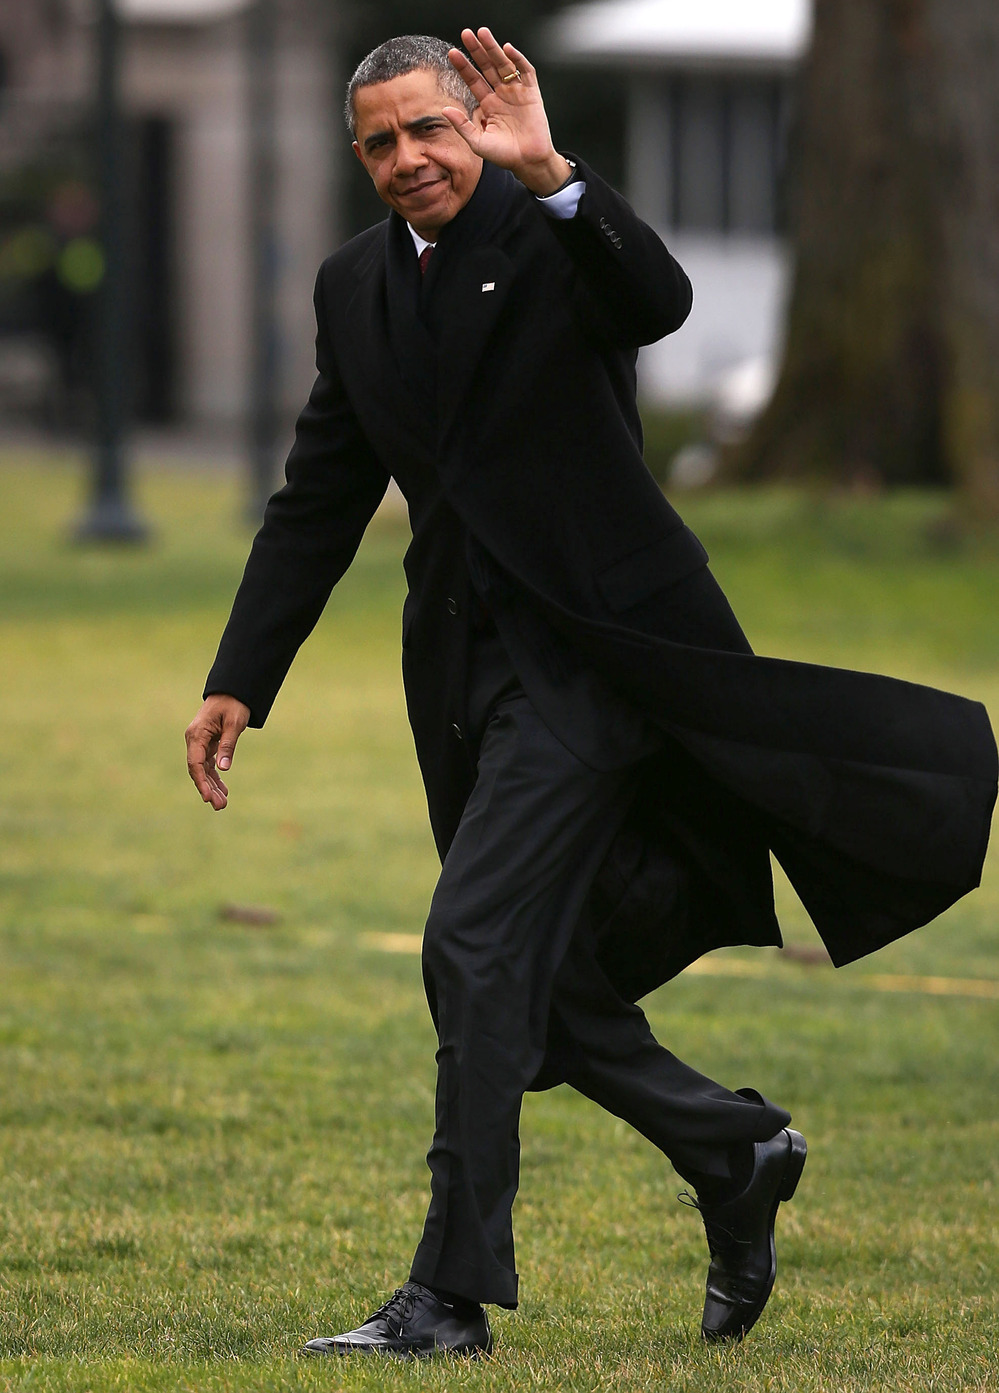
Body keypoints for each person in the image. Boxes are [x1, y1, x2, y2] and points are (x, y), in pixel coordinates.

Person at [184, 28, 996, 1360]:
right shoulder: (352, 287)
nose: (407, 158)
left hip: (602, 663)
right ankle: (733, 1149)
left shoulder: (555, 232)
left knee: (472, 944)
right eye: (379, 142)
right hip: (465, 678)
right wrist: (240, 679)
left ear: (476, 121)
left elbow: (658, 299)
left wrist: (556, 173)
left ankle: (446, 1298)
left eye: (429, 128)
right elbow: (318, 498)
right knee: (531, 974)